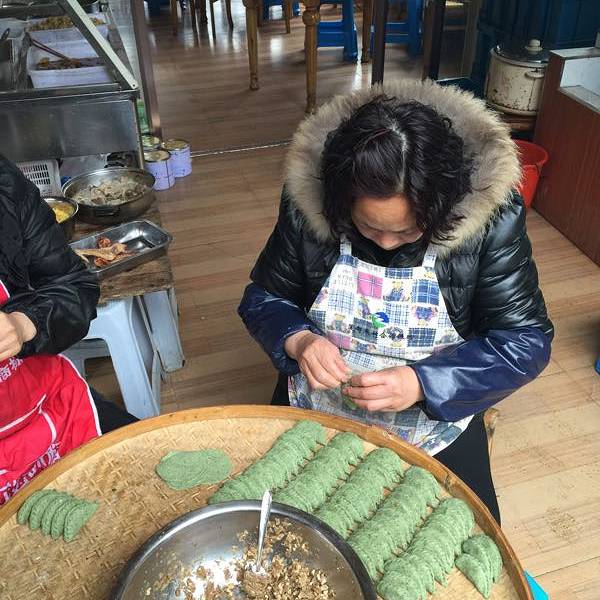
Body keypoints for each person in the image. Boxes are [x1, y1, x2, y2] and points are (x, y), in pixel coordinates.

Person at [238, 81, 553, 523]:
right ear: (340, 203)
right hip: (318, 404)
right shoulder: (308, 208)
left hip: (436, 421)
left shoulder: (489, 221)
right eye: (368, 227)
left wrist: (424, 383)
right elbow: (264, 297)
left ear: (446, 207)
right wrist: (298, 340)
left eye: (408, 231)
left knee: (463, 530)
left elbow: (525, 343)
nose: (386, 242)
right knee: (267, 520)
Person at [0, 156, 136, 505]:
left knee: (149, 465)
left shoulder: (5, 185)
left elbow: (74, 286)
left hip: (52, 405)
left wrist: (24, 324)